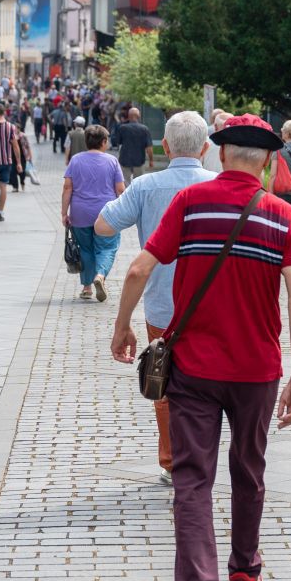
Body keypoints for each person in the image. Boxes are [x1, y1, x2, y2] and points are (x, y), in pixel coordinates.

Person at [109, 114, 291, 581]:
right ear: (267, 160)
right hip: (257, 371)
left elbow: (139, 267)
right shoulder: (283, 216)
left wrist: (123, 325)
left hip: (194, 371)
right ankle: (244, 570)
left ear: (220, 154)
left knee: (192, 479)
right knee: (249, 471)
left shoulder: (189, 203)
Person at [95, 111, 215, 483]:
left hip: (162, 304)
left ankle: (171, 460)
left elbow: (102, 224)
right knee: (208, 384)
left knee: (164, 381)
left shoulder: (146, 187)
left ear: (165, 146)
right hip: (212, 305)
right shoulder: (219, 185)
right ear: (206, 148)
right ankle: (201, 457)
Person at [64, 125, 124, 300]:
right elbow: (120, 189)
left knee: (86, 250)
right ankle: (100, 276)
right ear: (104, 142)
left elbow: (67, 187)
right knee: (107, 247)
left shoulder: (75, 160)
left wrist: (63, 213)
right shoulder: (112, 161)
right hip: (106, 214)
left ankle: (87, 288)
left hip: (80, 214)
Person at [115, 106, 155, 184]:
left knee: (125, 183)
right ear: (139, 116)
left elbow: (118, 143)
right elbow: (149, 147)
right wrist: (151, 160)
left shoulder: (122, 128)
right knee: (138, 183)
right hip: (139, 160)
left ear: (128, 116)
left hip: (124, 159)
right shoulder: (144, 129)